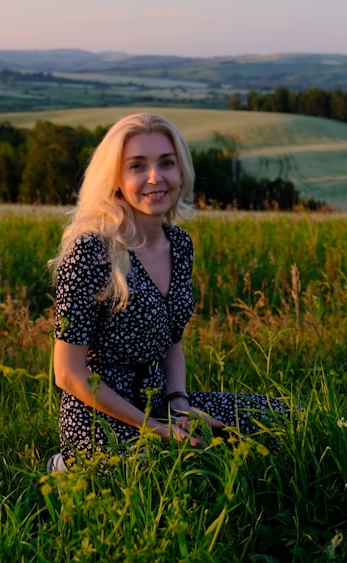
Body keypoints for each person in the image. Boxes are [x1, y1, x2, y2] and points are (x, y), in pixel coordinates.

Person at [47, 112, 289, 471]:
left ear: (182, 172)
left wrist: (179, 403)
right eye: (137, 166)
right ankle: (67, 468)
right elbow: (68, 374)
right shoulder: (91, 251)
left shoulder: (178, 244)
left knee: (282, 419)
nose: (155, 177)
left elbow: (171, 339)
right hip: (100, 416)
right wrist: (157, 429)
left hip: (160, 402)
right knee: (186, 469)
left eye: (166, 163)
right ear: (114, 178)